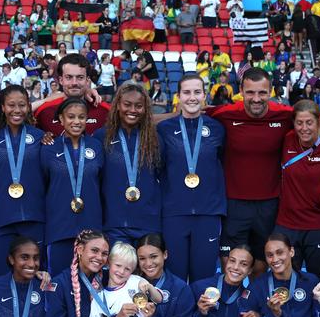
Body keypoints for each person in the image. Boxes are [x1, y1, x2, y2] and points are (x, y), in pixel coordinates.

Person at [211, 68, 294, 256]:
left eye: (262, 92)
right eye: (250, 92)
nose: (256, 99)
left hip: (269, 204)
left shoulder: (286, 115)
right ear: (241, 91)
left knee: (262, 262)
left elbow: (316, 121)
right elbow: (190, 116)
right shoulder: (224, 114)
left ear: (271, 91)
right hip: (233, 204)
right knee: (231, 262)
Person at [158, 74, 226, 281]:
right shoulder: (164, 129)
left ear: (204, 95)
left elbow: (220, 160)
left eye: (197, 92)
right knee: (175, 277)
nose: (192, 97)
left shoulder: (216, 129)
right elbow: (160, 167)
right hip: (174, 213)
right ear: (178, 96)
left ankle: (202, 314)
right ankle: (178, 314)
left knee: (204, 278)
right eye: (186, 92)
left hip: (208, 212)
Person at [0, 84, 46, 273]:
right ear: (2, 107)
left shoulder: (41, 138)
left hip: (34, 217)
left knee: (34, 275)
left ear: (28, 107)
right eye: (11, 105)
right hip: (1, 218)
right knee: (0, 275)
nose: (17, 110)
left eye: (22, 105)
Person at [272, 100, 320, 277]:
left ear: (319, 122)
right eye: (299, 123)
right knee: (285, 278)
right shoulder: (286, 140)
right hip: (287, 223)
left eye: (309, 122)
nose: (304, 128)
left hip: (318, 225)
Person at [42, 97, 105, 272]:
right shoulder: (49, 148)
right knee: (58, 281)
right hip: (59, 227)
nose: (76, 121)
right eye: (71, 117)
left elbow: (101, 184)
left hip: (91, 226)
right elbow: (44, 185)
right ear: (61, 119)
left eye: (81, 117)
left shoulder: (97, 146)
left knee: (91, 283)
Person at [101, 81, 163, 247]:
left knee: (146, 272)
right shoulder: (102, 137)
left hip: (148, 223)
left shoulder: (155, 140)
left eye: (138, 106)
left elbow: (161, 176)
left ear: (145, 109)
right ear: (117, 106)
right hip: (114, 224)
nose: (133, 110)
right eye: (127, 105)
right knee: (120, 272)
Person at [34, 53, 110, 136]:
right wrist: (46, 100)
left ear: (87, 80)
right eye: (69, 77)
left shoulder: (104, 111)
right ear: (61, 80)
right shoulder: (45, 111)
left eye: (80, 77)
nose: (74, 83)